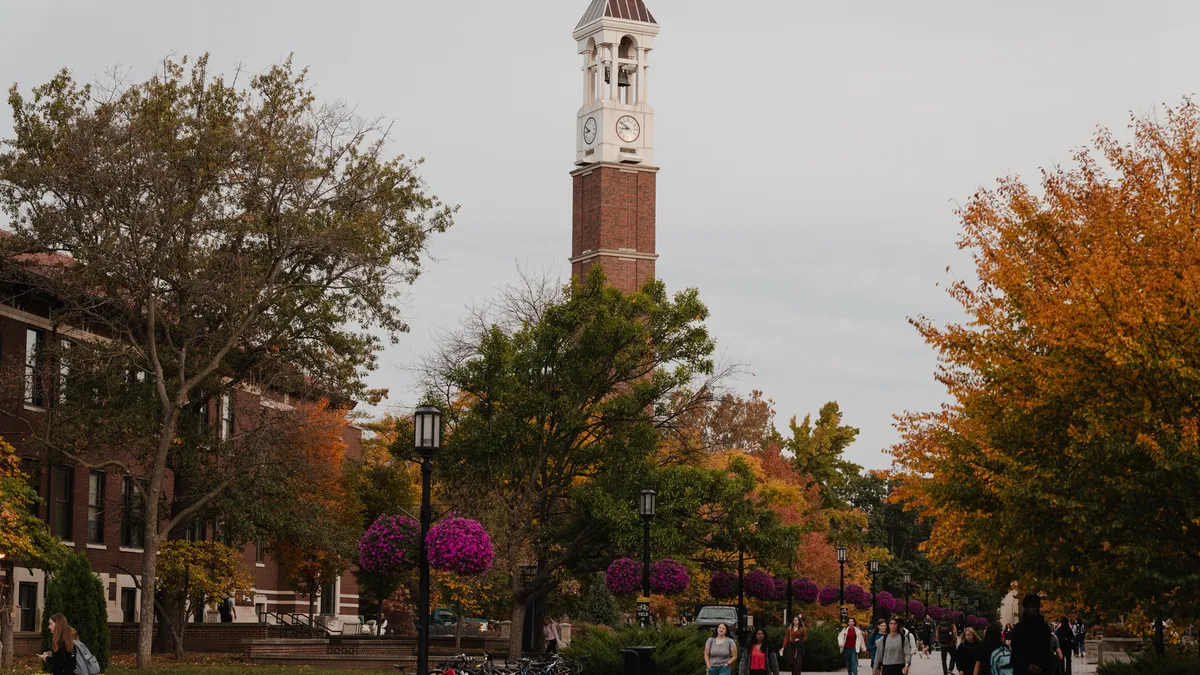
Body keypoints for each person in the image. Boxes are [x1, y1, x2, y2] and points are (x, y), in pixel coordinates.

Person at [1009, 594, 1054, 675]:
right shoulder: (1019, 629)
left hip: (1042, 669)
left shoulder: (1045, 628)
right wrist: (1028, 665)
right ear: (1026, 608)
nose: (1035, 609)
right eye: (1032, 606)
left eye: (1037, 606)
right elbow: (1015, 653)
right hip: (1023, 670)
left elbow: (1047, 651)